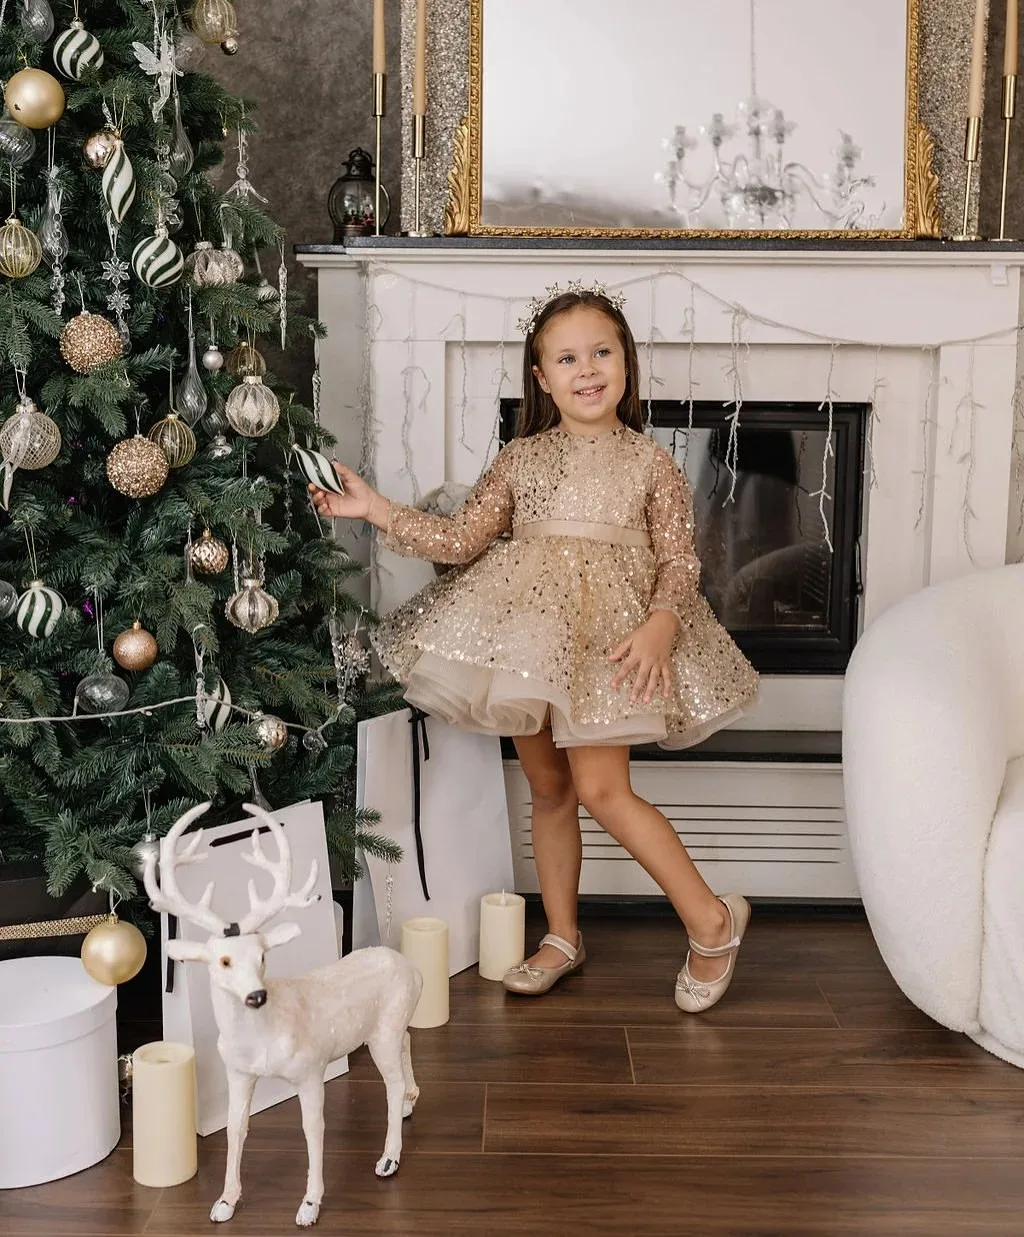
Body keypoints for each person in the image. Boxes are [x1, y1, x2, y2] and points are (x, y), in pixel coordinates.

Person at [309, 282, 759, 1012]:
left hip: (611, 643)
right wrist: (374, 508)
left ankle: (712, 920)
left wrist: (662, 623)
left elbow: (680, 561)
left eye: (602, 352)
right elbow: (459, 541)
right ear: (542, 376)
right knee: (550, 791)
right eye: (567, 357)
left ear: (627, 364)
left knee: (604, 791)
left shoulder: (651, 464)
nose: (587, 369)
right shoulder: (520, 460)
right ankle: (563, 934)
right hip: (531, 644)